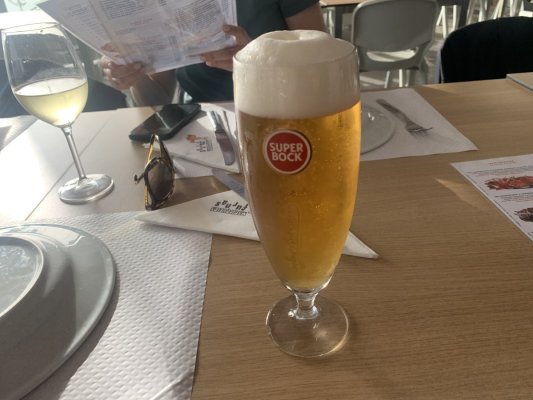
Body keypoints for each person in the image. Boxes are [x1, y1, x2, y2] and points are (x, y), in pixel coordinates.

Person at [102, 1, 326, 105]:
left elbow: (322, 67)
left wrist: (258, 62)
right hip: (201, 119)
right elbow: (159, 99)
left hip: (280, 106)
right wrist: (134, 75)